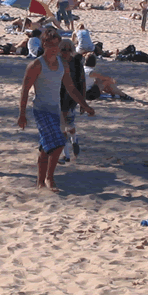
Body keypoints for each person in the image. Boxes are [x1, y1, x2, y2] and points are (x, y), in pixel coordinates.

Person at [18, 27, 95, 191]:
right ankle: (49, 179)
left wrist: (85, 105)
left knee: (46, 145)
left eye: (56, 45)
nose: (54, 48)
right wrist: (21, 114)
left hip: (55, 110)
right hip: (41, 110)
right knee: (59, 143)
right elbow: (25, 90)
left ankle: (42, 181)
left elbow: (71, 88)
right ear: (44, 44)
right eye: (50, 44)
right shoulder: (36, 65)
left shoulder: (63, 65)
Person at [59, 39, 85, 162]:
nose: (66, 52)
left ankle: (73, 140)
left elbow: (82, 82)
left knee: (67, 124)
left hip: (71, 98)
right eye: (63, 49)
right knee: (63, 126)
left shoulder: (76, 63)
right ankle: (67, 153)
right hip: (57, 97)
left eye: (69, 49)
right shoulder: (56, 61)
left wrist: (82, 101)